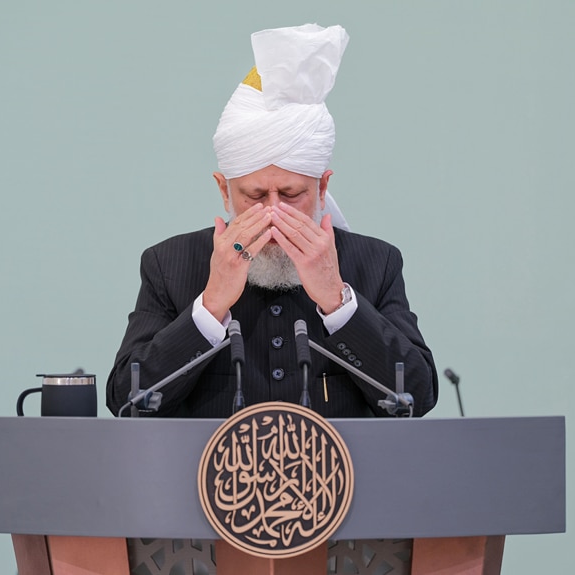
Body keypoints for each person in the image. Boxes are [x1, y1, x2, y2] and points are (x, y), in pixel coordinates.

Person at [107, 24, 437, 418]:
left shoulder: (376, 263)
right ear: (224, 191)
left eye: (292, 194)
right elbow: (126, 400)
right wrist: (210, 306)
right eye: (255, 196)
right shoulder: (169, 265)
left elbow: (417, 397)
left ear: (322, 187)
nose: (274, 212)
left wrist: (337, 301)